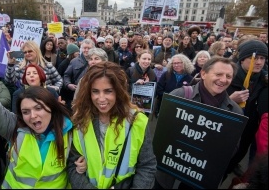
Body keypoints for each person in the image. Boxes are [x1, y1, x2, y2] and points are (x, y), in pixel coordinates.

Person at [0, 43, 86, 188]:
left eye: (39, 108)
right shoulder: (14, 128)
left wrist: (80, 167)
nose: (33, 116)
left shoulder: (71, 131)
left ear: (52, 107)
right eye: (25, 112)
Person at [154, 57, 244, 189]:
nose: (224, 80)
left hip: (200, 178)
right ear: (203, 74)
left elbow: (231, 149)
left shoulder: (235, 111)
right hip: (167, 175)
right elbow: (161, 132)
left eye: (228, 76)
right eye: (218, 74)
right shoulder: (179, 96)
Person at [67, 61, 157, 189]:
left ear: (119, 92)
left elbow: (147, 166)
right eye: (95, 91)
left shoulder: (137, 121)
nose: (101, 98)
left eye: (108, 91)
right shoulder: (79, 121)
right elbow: (72, 165)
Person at [225, 39, 268, 178]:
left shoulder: (264, 80)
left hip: (246, 135)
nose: (259, 62)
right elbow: (207, 106)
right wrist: (230, 100)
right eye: (253, 58)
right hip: (225, 134)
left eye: (262, 58)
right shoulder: (226, 77)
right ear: (242, 59)